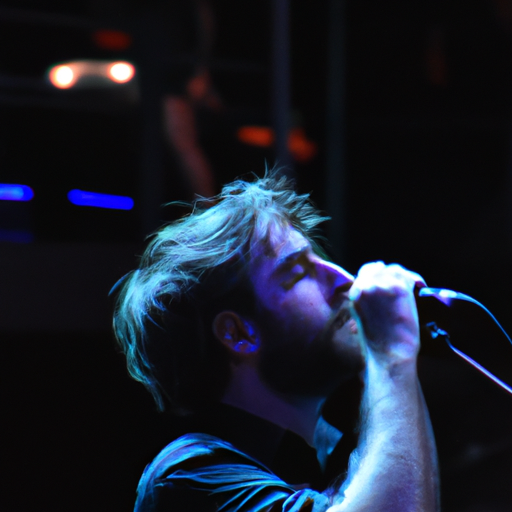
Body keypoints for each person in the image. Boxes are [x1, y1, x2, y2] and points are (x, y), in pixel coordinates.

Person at [113, 170, 439, 512]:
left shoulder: (338, 452)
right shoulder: (189, 477)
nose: (344, 279)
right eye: (299, 272)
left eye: (321, 260)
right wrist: (391, 355)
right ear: (238, 334)